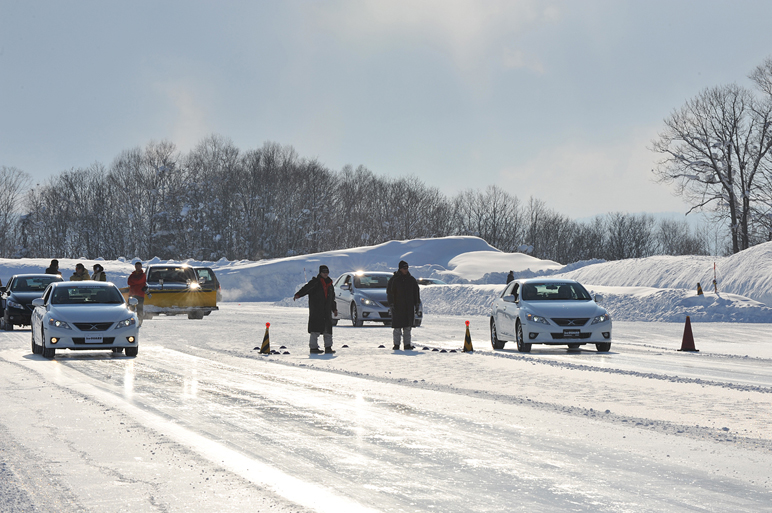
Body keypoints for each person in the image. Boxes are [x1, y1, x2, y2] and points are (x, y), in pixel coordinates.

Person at [293, 265, 338, 355]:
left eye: (327, 272)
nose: (325, 274)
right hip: (317, 310)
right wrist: (298, 294)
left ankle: (328, 347)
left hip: (327, 310)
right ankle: (313, 347)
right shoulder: (315, 282)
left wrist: (334, 309)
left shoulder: (330, 284)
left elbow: (332, 298)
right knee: (315, 329)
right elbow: (306, 289)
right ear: (320, 273)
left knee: (327, 330)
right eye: (324, 272)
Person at [387, 260, 421, 350]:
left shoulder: (411, 280)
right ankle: (396, 345)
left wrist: (417, 303)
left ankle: (407, 345)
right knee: (397, 328)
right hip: (397, 307)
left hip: (409, 308)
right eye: (404, 268)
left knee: (407, 328)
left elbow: (416, 292)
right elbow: (390, 293)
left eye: (407, 268)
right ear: (400, 269)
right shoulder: (394, 280)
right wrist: (391, 304)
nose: (406, 270)